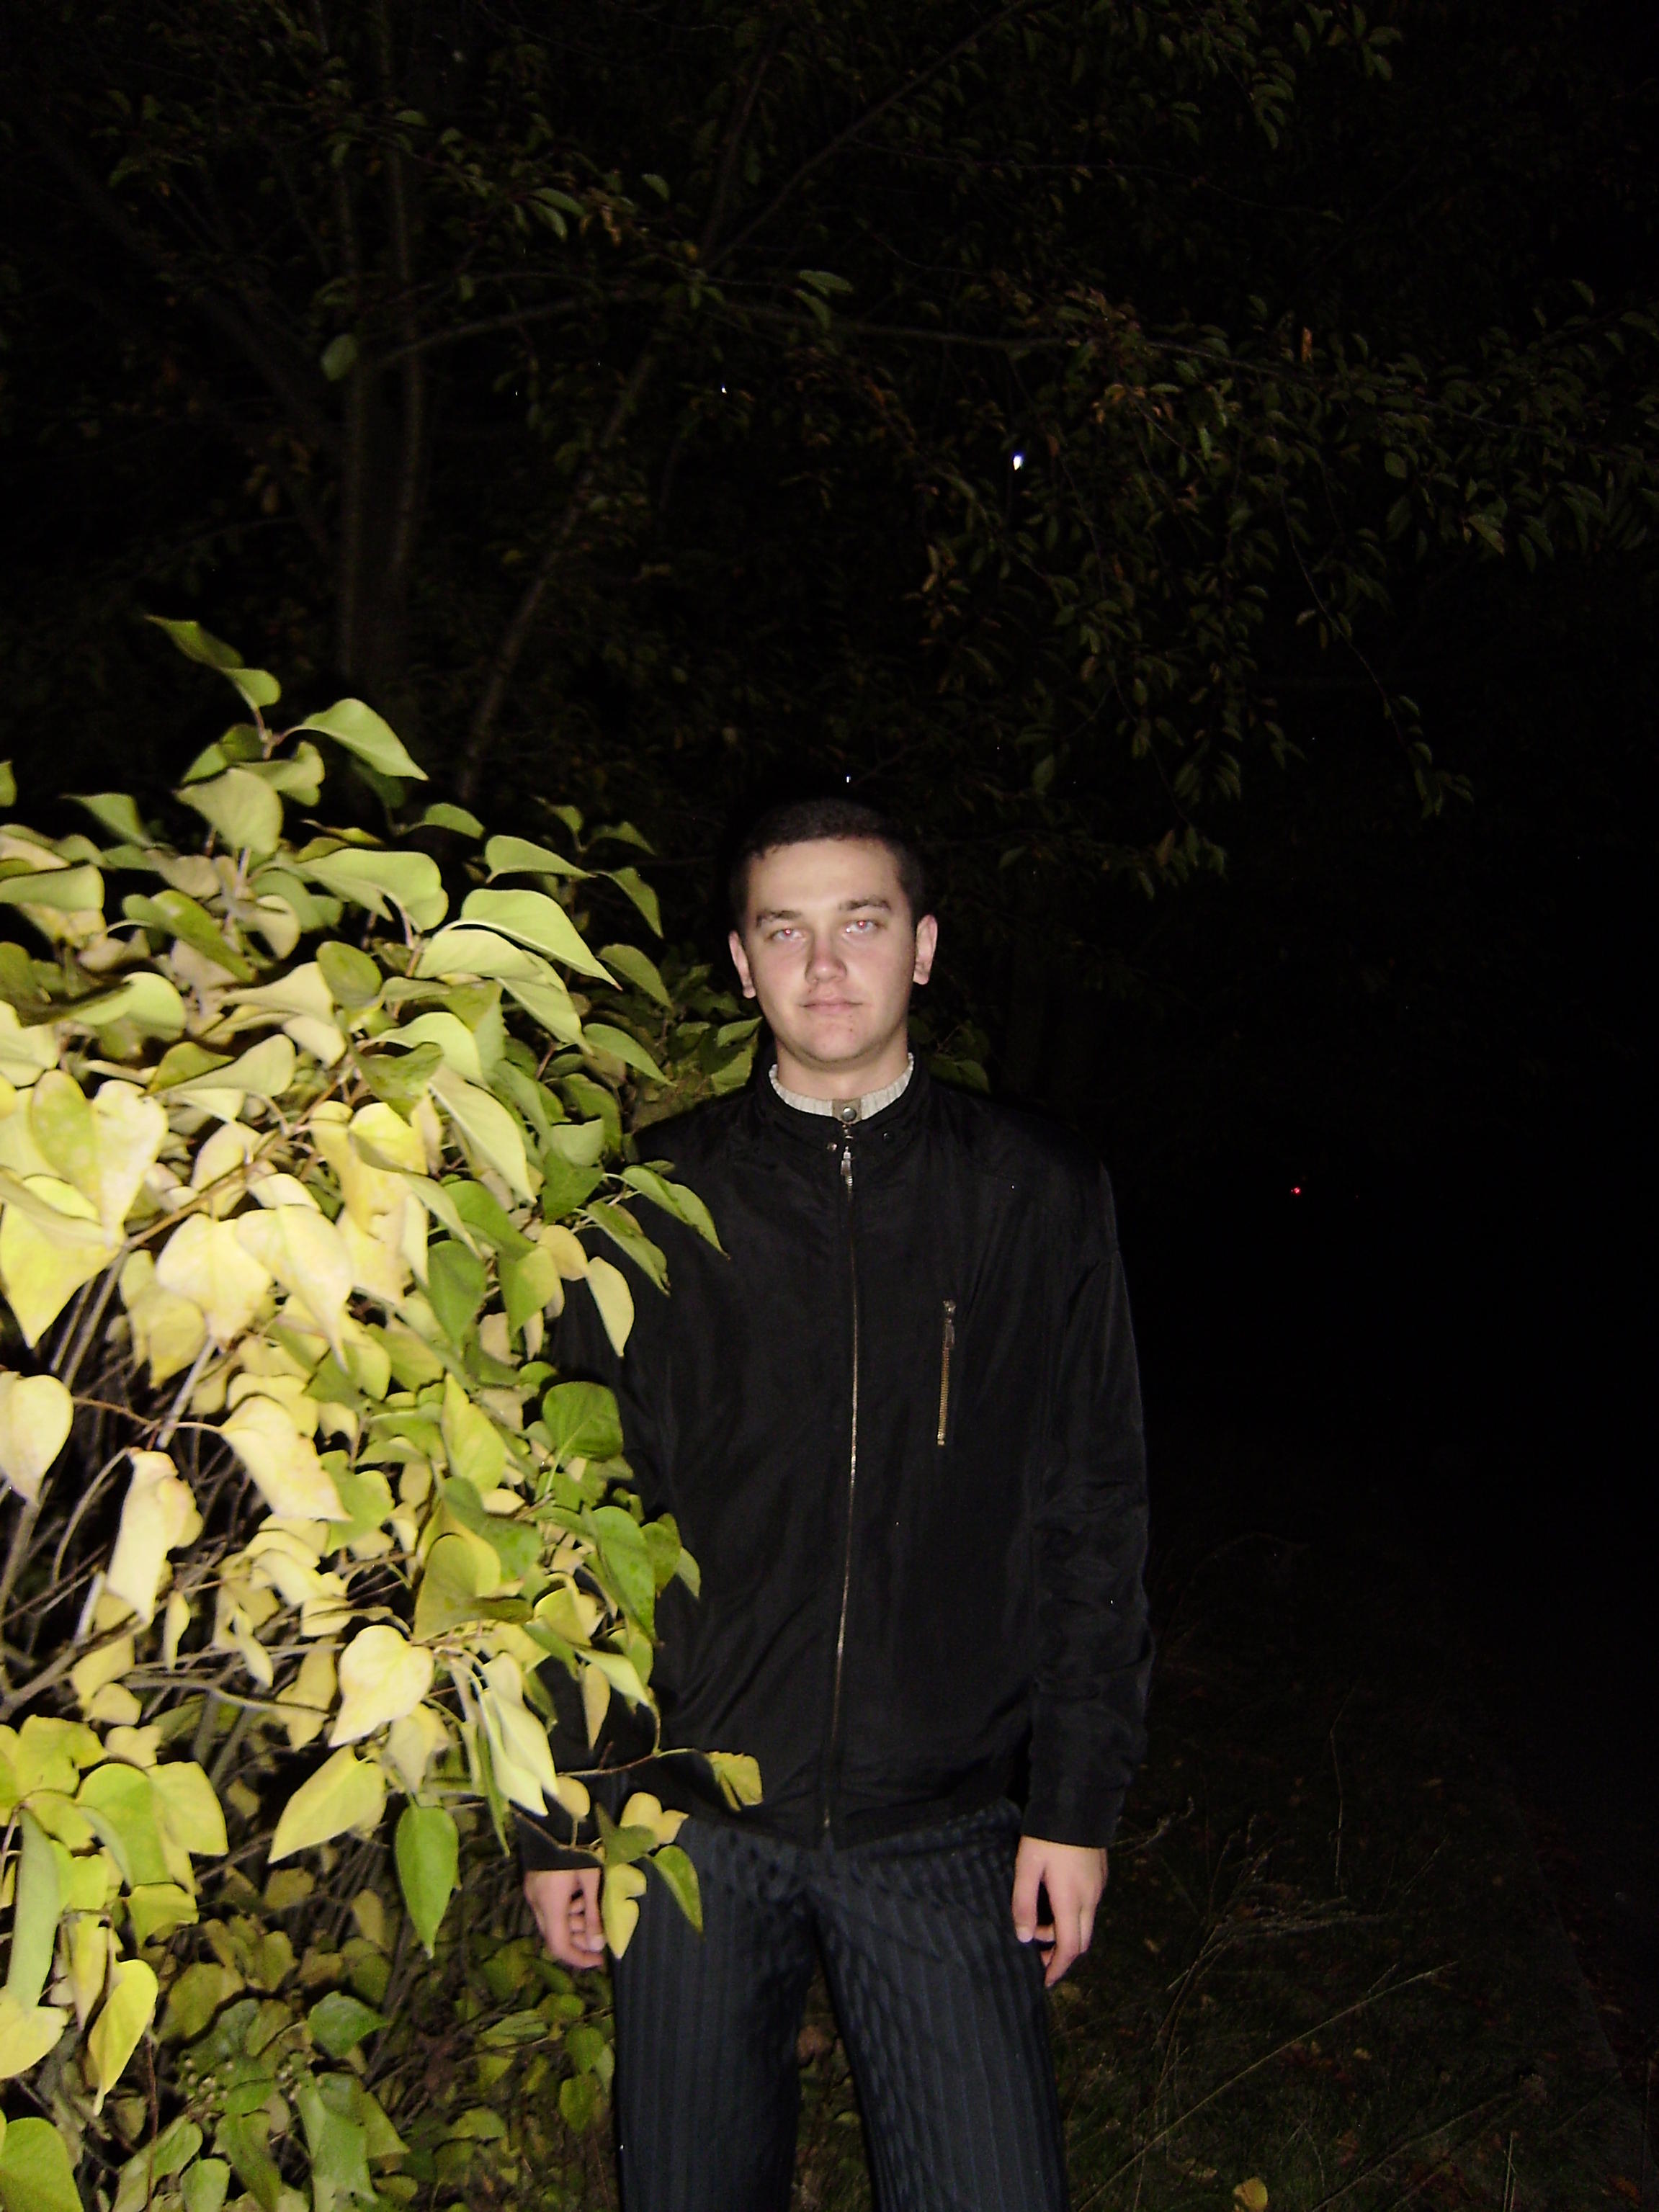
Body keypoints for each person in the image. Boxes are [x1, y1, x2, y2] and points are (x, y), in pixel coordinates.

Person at [521, 799, 1152, 2212]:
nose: (824, 967)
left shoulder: (1036, 1196)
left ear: (920, 947)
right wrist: (565, 1813)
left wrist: (1077, 1803)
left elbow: (1095, 1514)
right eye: (784, 931)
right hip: (688, 1828)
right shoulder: (649, 1205)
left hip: (943, 1823)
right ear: (741, 964)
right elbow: (573, 1521)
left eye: (860, 924)